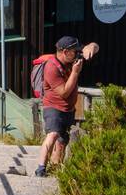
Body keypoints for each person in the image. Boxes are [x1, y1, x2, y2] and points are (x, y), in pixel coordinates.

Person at [35, 36, 90, 177]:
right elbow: (64, 92)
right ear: (65, 52)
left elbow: (94, 47)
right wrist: (75, 72)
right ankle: (41, 168)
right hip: (53, 108)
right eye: (74, 51)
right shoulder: (51, 68)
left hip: (68, 109)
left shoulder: (71, 59)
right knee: (52, 134)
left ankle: (55, 169)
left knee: (62, 140)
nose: (77, 53)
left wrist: (91, 47)